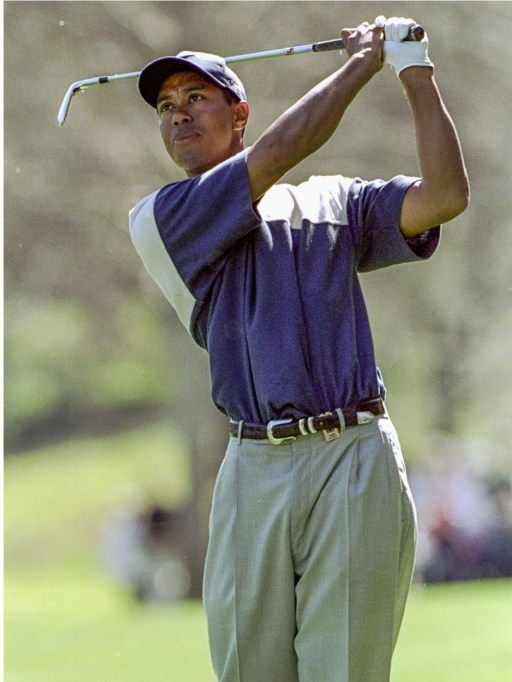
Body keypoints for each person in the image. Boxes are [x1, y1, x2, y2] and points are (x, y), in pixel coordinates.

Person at [127, 17, 467, 682]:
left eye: (196, 98)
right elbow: (278, 155)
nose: (178, 116)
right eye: (167, 106)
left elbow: (446, 196)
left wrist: (414, 71)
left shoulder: (332, 202)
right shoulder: (162, 219)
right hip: (254, 466)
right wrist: (361, 66)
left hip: (354, 457)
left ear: (239, 112)